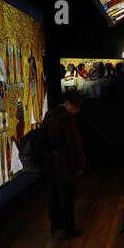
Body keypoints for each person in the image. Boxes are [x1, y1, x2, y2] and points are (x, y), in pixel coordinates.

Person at [41, 91, 85, 240]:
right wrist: (80, 163)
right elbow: (74, 144)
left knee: (53, 195)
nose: (77, 111)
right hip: (64, 163)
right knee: (67, 196)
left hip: (50, 162)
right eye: (76, 107)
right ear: (67, 103)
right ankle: (69, 229)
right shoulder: (66, 118)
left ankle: (56, 225)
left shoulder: (50, 114)